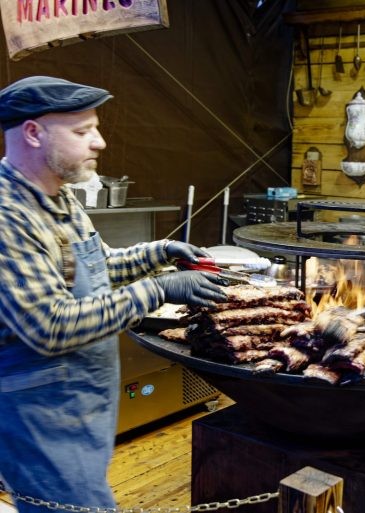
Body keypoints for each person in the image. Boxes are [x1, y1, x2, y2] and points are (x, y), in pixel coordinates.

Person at [0, 76, 229, 513]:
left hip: (83, 400)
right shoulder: (8, 217)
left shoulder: (61, 198)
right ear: (33, 133)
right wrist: (158, 288)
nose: (100, 142)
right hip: (40, 413)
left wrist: (158, 252)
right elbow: (52, 325)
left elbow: (99, 267)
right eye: (82, 131)